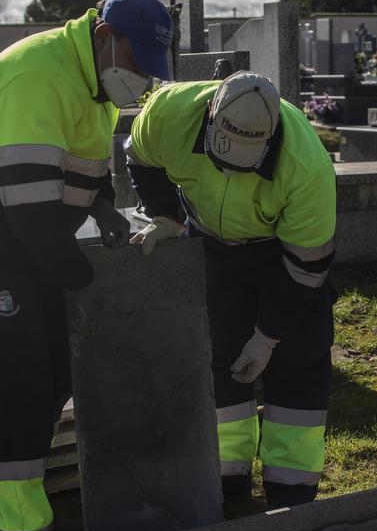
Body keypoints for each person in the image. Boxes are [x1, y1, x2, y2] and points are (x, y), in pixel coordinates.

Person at [0, 0, 173, 531]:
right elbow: (31, 213)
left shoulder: (94, 84)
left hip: (32, 245)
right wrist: (88, 281)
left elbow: (82, 167)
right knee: (13, 381)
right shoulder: (34, 75)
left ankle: (25, 499)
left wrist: (105, 209)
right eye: (135, 61)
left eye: (148, 67)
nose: (139, 78)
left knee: (50, 373)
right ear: (104, 36)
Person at [125, 72, 336, 508]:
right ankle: (225, 482)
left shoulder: (306, 166)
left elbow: (305, 269)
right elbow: (140, 159)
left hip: (282, 253)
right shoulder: (168, 112)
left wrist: (267, 336)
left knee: (296, 374)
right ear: (209, 115)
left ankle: (291, 495)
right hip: (213, 246)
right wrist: (165, 215)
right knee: (218, 362)